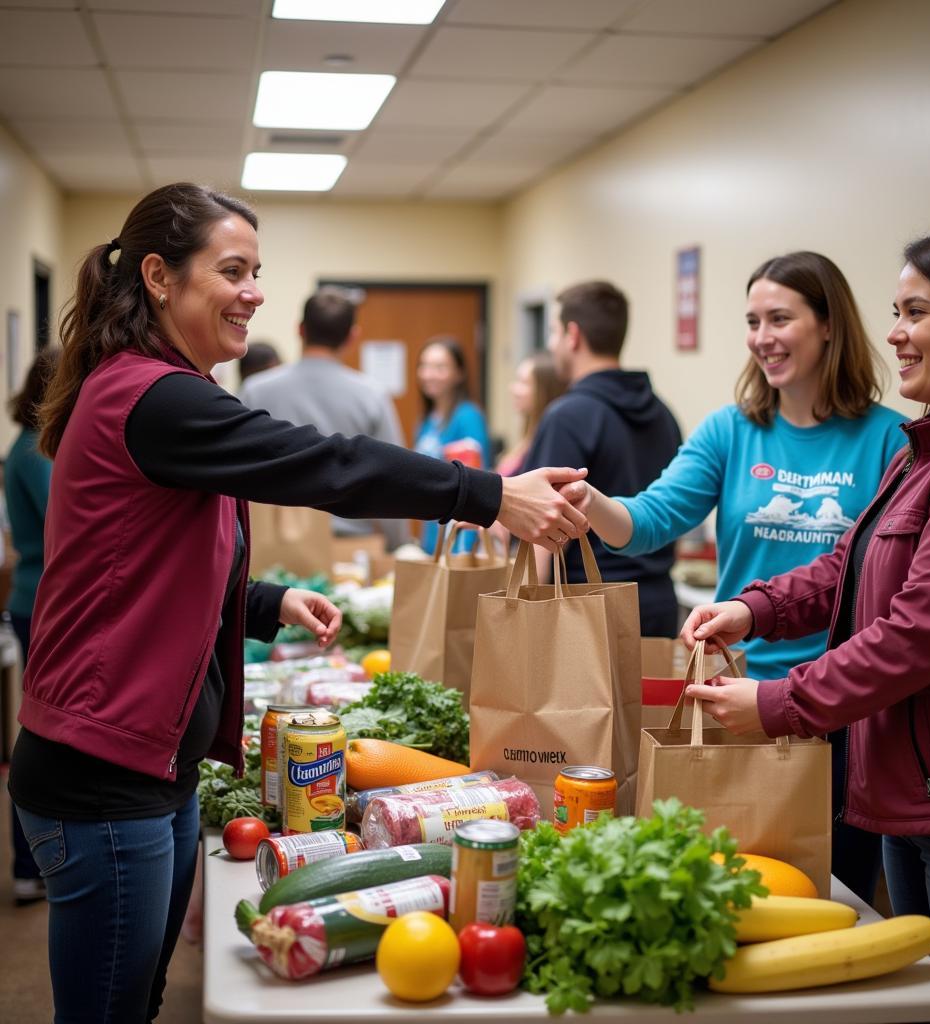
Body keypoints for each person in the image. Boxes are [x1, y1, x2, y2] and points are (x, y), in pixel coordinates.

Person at [6, 182, 587, 1024]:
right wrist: (488, 495)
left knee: (137, 1002)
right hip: (102, 775)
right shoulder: (156, 396)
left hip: (148, 767)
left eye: (258, 270)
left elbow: (136, 566)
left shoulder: (159, 387)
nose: (255, 290)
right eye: (232, 270)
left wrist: (264, 601)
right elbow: (327, 464)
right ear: (161, 278)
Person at [680, 228, 930, 1024]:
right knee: (929, 1006)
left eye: (915, 311)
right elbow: (848, 565)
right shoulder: (929, 448)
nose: (895, 331)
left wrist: (776, 703)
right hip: (911, 800)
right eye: (893, 311)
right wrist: (754, 605)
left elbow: (919, 633)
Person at [562, 253, 907, 903]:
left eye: (781, 318)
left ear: (829, 325)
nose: (762, 336)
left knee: (833, 899)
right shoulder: (731, 431)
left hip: (841, 710)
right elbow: (649, 519)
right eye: (752, 320)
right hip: (737, 699)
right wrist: (586, 501)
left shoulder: (892, 440)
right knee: (730, 891)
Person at [522, 280, 683, 637]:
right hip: (657, 605)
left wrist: (525, 615)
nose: (551, 345)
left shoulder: (568, 416)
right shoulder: (663, 413)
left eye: (553, 332)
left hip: (587, 608)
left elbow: (543, 523)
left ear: (573, 335)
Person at [239, 287, 409, 550]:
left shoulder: (255, 390)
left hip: (274, 548)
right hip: (352, 549)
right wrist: (398, 544)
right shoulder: (371, 395)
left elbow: (237, 473)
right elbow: (393, 477)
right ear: (352, 337)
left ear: (300, 330)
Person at [3, 347, 58, 904]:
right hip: (40, 601)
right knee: (41, 734)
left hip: (33, 598)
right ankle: (26, 864)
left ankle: (29, 862)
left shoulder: (25, 446)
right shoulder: (36, 451)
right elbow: (64, 523)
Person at [414, 335, 492, 554]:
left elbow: (476, 485)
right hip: (431, 535)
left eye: (440, 367)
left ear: (459, 373)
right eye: (424, 366)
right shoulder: (426, 421)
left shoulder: (468, 417)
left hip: (458, 539)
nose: (429, 374)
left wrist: (464, 549)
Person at [495, 351, 566, 477]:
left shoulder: (548, 443)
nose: (513, 389)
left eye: (524, 383)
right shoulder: (527, 437)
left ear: (544, 391)